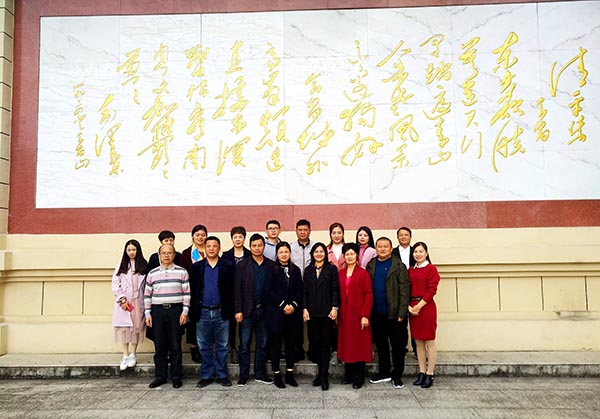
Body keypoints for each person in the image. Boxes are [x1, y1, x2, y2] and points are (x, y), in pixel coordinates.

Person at [190, 236, 235, 388]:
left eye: (214, 246)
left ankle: (222, 375)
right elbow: (193, 290)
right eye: (208, 246)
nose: (211, 248)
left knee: (223, 345)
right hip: (202, 311)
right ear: (204, 248)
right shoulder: (197, 267)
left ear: (219, 248)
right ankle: (206, 375)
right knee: (204, 346)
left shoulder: (228, 266)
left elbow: (232, 290)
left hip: (222, 311)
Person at [366, 237, 410, 389]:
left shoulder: (398, 266)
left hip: (395, 314)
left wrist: (402, 312)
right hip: (377, 313)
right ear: (376, 248)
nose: (383, 249)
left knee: (398, 346)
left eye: (386, 246)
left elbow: (405, 290)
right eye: (380, 246)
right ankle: (384, 372)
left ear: (391, 249)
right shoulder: (371, 265)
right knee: (381, 345)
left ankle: (397, 375)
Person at [144, 244, 190, 389]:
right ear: (159, 255)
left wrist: (185, 312)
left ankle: (176, 377)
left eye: (169, 253)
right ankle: (160, 377)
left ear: (174, 255)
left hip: (175, 311)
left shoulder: (182, 272)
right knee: (160, 346)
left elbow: (186, 293)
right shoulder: (152, 273)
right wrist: (147, 314)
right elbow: (147, 295)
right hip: (157, 312)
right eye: (163, 253)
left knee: (176, 345)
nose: (166, 255)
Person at [234, 234, 276, 386]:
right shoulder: (242, 265)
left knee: (262, 344)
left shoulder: (271, 265)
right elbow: (237, 289)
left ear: (264, 247)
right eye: (254, 245)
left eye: (260, 245)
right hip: (247, 311)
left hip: (265, 311)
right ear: (250, 247)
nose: (257, 248)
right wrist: (238, 310)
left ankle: (260, 373)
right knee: (244, 345)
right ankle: (244, 375)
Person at [266, 242, 303, 389]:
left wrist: (293, 305)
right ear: (277, 254)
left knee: (290, 345)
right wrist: (282, 304)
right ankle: (276, 375)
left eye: (286, 252)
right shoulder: (271, 269)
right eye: (281, 252)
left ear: (290, 253)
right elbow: (269, 291)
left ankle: (289, 374)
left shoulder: (296, 270)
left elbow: (300, 291)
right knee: (275, 346)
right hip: (276, 313)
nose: (284, 254)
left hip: (292, 314)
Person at [303, 242, 339, 391]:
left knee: (325, 344)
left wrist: (335, 307)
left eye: (321, 251)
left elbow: (335, 289)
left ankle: (324, 376)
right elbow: (304, 291)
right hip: (312, 313)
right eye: (316, 251)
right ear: (312, 254)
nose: (319, 254)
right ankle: (319, 373)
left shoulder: (331, 269)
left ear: (325, 253)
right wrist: (304, 308)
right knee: (315, 343)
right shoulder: (308, 270)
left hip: (327, 313)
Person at [337, 243, 373, 389]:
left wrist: (365, 315)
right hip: (344, 314)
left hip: (358, 315)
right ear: (344, 256)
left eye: (352, 254)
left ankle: (359, 378)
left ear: (357, 255)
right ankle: (348, 376)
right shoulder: (340, 273)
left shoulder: (363, 273)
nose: (350, 256)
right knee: (347, 344)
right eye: (347, 254)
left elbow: (368, 295)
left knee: (359, 346)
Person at [408, 241, 440, 389]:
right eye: (415, 252)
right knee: (418, 342)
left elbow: (432, 290)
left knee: (429, 342)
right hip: (412, 309)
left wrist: (419, 306)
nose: (418, 254)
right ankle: (421, 372)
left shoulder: (431, 269)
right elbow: (406, 289)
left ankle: (430, 373)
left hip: (426, 308)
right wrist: (409, 307)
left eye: (421, 251)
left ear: (426, 253)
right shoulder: (410, 270)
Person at [112, 239, 147, 371]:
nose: (132, 252)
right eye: (129, 250)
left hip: (138, 301)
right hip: (125, 302)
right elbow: (115, 283)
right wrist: (122, 299)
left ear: (138, 250)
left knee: (136, 327)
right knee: (125, 328)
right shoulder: (121, 265)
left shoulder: (143, 265)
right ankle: (125, 355)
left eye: (134, 249)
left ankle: (133, 353)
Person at [221, 226, 251, 365]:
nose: (238, 239)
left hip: (247, 295)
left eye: (240, 237)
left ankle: (243, 348)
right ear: (231, 238)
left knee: (246, 324)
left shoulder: (250, 254)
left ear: (244, 238)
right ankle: (232, 348)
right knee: (231, 324)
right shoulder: (226, 255)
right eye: (235, 237)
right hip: (230, 295)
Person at [180, 224, 208, 364]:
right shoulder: (187, 253)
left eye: (203, 235)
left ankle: (205, 348)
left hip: (207, 290)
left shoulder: (210, 249)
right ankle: (194, 347)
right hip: (191, 291)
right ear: (192, 236)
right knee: (193, 320)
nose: (200, 237)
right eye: (197, 235)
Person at [391, 226, 417, 359]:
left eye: (406, 235)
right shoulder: (393, 252)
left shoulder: (417, 251)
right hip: (398, 291)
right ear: (397, 237)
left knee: (416, 323)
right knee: (401, 322)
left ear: (410, 237)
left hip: (415, 290)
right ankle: (403, 349)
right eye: (401, 235)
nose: (403, 237)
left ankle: (417, 350)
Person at [290, 218, 312, 361]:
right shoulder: (290, 247)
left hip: (312, 289)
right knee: (296, 322)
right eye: (300, 230)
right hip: (295, 289)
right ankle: (297, 350)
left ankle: (312, 350)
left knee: (312, 320)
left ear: (309, 231)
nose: (303, 232)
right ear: (296, 231)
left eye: (305, 230)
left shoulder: (315, 246)